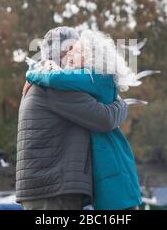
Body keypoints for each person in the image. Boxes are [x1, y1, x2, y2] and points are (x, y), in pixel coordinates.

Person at [26, 29, 142, 210]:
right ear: (59, 53)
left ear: (92, 59)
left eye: (77, 49)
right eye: (70, 48)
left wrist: (32, 72)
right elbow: (104, 118)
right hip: (52, 188)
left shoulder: (83, 80)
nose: (72, 52)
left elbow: (104, 118)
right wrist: (122, 104)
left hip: (61, 183)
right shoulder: (60, 87)